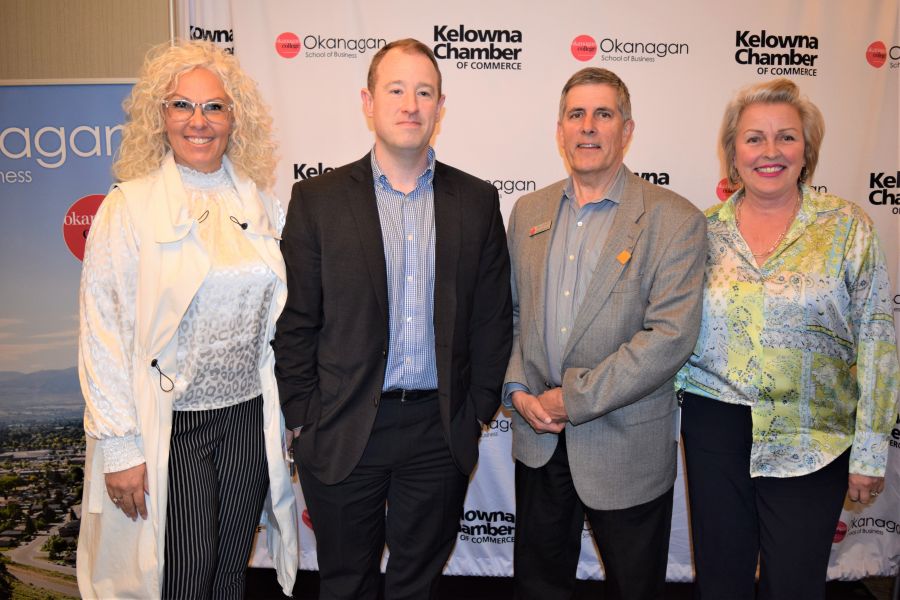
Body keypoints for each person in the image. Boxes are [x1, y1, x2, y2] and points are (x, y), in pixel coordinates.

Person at [273, 38, 512, 599]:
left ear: (440, 106)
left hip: (438, 429)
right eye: (397, 90)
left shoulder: (476, 200)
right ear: (368, 101)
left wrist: (475, 411)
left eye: (424, 92)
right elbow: (296, 319)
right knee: (346, 583)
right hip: (342, 426)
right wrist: (306, 416)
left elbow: (493, 318)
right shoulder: (318, 199)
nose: (411, 104)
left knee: (416, 585)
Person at [76, 41, 298, 599]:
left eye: (214, 107)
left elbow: (281, 322)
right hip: (174, 425)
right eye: (182, 105)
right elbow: (103, 329)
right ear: (160, 117)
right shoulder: (128, 207)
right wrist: (122, 448)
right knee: (181, 577)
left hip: (247, 420)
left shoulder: (261, 204)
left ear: (234, 119)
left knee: (228, 573)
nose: (198, 121)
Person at [677, 78, 899, 600]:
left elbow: (877, 341)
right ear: (733, 152)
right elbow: (672, 332)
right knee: (721, 581)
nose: (770, 152)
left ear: (807, 149)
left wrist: (870, 452)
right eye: (754, 138)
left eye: (786, 137)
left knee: (795, 586)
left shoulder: (848, 228)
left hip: (813, 436)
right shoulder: (700, 232)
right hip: (716, 427)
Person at [503, 67, 707, 600]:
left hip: (626, 446)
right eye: (576, 115)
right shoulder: (529, 210)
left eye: (603, 114)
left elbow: (670, 337)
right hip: (539, 439)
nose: (588, 127)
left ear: (627, 129)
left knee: (634, 588)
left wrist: (571, 399)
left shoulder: (674, 219)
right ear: (560, 129)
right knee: (538, 586)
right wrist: (518, 390)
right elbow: (515, 315)